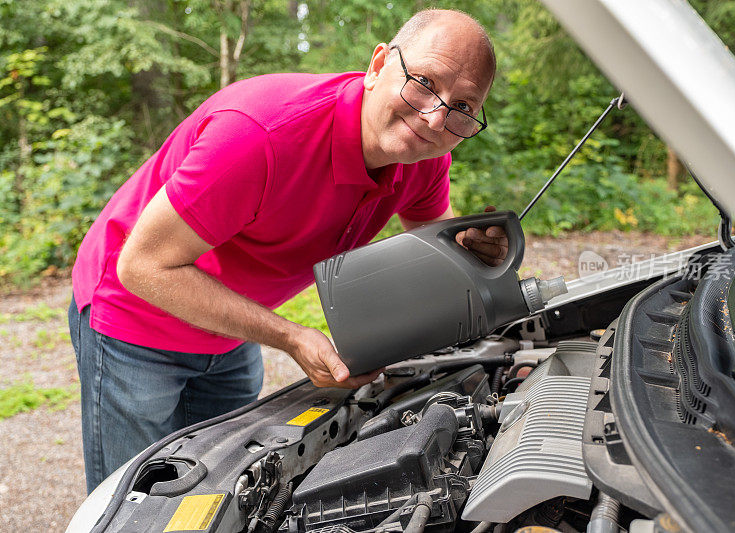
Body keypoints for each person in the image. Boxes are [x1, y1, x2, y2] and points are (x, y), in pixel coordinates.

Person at [68, 8, 507, 493]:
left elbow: (433, 240)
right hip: (137, 317)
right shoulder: (259, 136)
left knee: (213, 490)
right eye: (424, 82)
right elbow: (143, 266)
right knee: (137, 503)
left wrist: (470, 250)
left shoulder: (423, 152)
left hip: (228, 324)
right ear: (378, 65)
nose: (435, 116)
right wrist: (291, 337)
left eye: (463, 107)